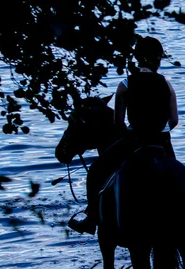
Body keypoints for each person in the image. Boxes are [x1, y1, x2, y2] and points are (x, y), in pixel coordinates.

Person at [68, 36, 179, 234]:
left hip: (134, 142)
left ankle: (92, 217)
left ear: (138, 58)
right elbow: (174, 121)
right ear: (158, 59)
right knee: (178, 179)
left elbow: (118, 124)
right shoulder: (167, 85)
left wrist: (132, 131)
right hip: (163, 143)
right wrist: (160, 130)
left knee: (96, 170)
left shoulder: (125, 84)